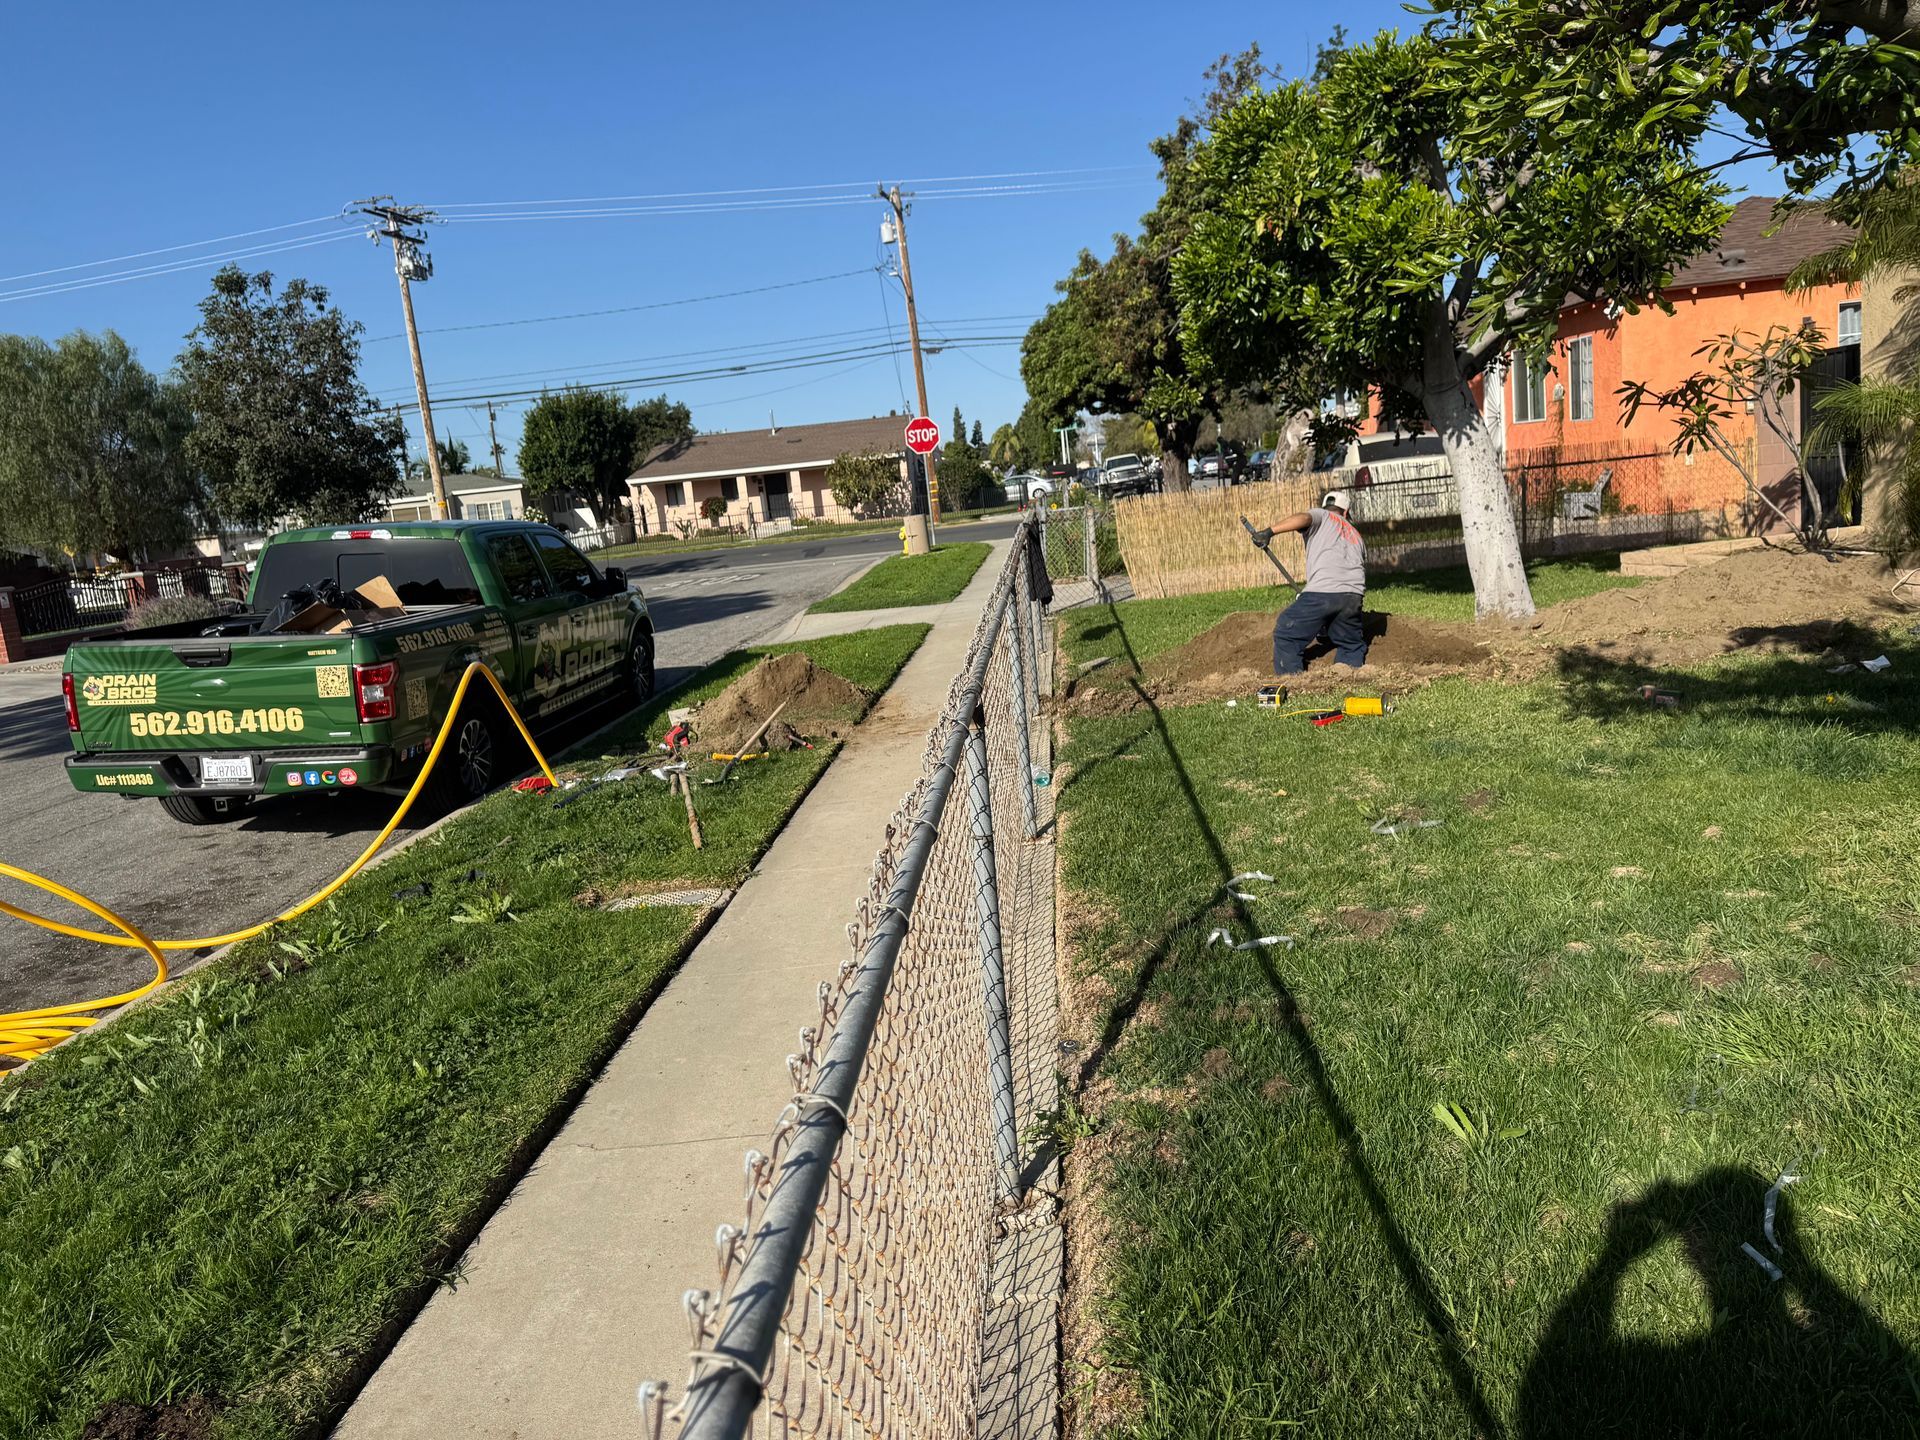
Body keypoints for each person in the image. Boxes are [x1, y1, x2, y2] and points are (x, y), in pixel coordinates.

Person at [1249, 489, 1367, 674]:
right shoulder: (1357, 535)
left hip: (1323, 592)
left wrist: (1269, 532)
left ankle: (1292, 681)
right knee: (1350, 643)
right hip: (1353, 595)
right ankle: (1349, 677)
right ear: (1346, 512)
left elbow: (1304, 518)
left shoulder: (1322, 515)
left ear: (1326, 508)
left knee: (1287, 633)